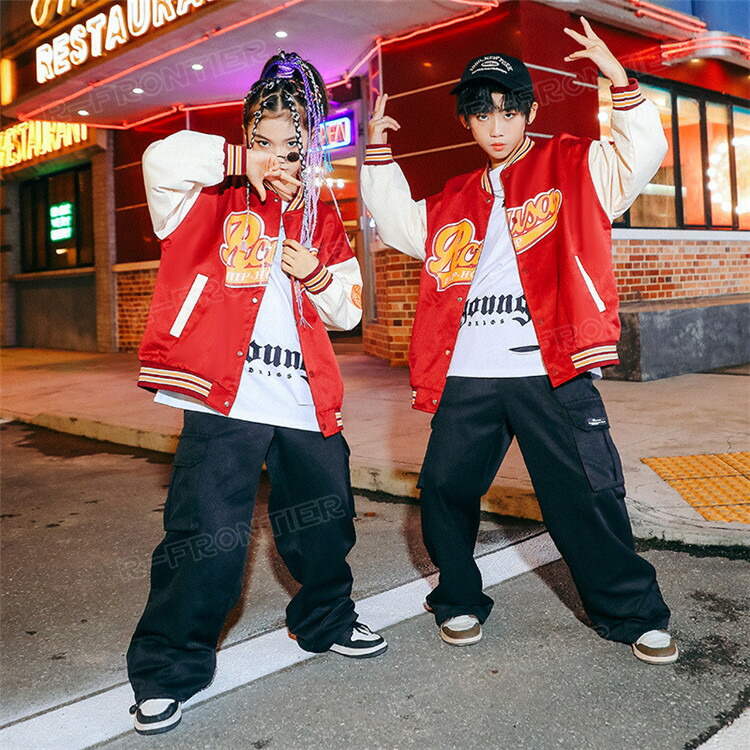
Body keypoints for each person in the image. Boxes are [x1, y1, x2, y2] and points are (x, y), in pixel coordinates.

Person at [361, 18, 677, 665]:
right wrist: (376, 157)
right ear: (467, 123)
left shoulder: (576, 164)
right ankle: (457, 599)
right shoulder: (454, 197)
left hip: (551, 367)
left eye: (509, 111)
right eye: (482, 114)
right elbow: (398, 225)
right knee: (444, 489)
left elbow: (641, 154)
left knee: (587, 496)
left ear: (530, 111)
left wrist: (618, 82)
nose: (497, 126)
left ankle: (634, 613)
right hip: (470, 372)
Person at [127, 51, 387, 736]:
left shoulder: (319, 215)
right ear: (244, 140)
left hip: (302, 398)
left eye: (289, 145)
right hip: (223, 399)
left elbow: (350, 311)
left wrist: (318, 276)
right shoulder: (199, 197)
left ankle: (326, 620)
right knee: (206, 541)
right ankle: (167, 669)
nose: (277, 157)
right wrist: (245, 165)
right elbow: (161, 156)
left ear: (308, 149)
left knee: (325, 526)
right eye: (261, 141)